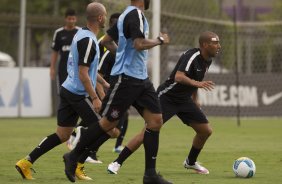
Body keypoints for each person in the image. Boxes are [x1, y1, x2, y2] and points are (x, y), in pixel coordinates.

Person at [62, 0, 172, 183]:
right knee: (108, 124)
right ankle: (73, 156)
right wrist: (159, 40)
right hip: (127, 78)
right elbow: (138, 44)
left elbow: (106, 40)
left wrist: (121, 53)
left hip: (141, 79)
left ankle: (150, 175)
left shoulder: (126, 15)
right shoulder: (134, 14)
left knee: (155, 121)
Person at [15, 2, 109, 181]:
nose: (105, 17)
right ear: (100, 18)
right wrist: (95, 98)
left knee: (62, 134)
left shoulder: (80, 34)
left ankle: (26, 162)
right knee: (104, 128)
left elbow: (88, 70)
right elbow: (83, 73)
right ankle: (76, 163)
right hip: (77, 94)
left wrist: (104, 83)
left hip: (67, 89)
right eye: (104, 15)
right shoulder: (89, 40)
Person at [107, 31, 220, 175]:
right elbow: (179, 77)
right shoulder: (192, 56)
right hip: (167, 97)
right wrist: (198, 84)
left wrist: (195, 99)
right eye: (215, 43)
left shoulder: (207, 60)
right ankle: (117, 162)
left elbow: (194, 79)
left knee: (205, 131)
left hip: (184, 100)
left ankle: (190, 162)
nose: (219, 46)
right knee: (147, 133)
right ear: (205, 45)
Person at [50, 8, 79, 93]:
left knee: (75, 92)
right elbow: (55, 51)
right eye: (69, 19)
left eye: (73, 19)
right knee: (63, 91)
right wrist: (52, 68)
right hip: (63, 68)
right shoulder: (59, 33)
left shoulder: (80, 32)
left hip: (76, 68)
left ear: (76, 19)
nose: (71, 21)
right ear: (65, 19)